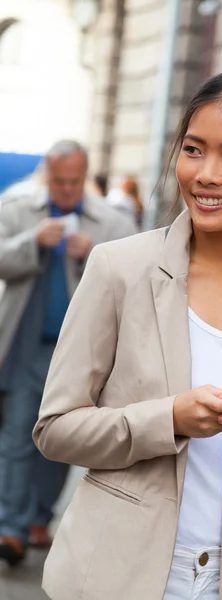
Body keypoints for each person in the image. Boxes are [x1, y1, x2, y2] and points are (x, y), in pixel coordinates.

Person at [33, 71, 222, 600]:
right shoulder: (119, 269)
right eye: (194, 150)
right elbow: (55, 429)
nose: (206, 174)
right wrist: (168, 418)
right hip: (113, 573)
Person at [0, 139, 136, 566]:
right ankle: (11, 528)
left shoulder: (112, 223)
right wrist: (31, 241)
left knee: (61, 440)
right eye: (58, 181)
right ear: (47, 175)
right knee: (16, 435)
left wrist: (93, 253)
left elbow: (135, 279)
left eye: (73, 181)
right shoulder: (20, 209)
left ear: (85, 175)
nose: (65, 189)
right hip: (27, 345)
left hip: (81, 356)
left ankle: (38, 517)